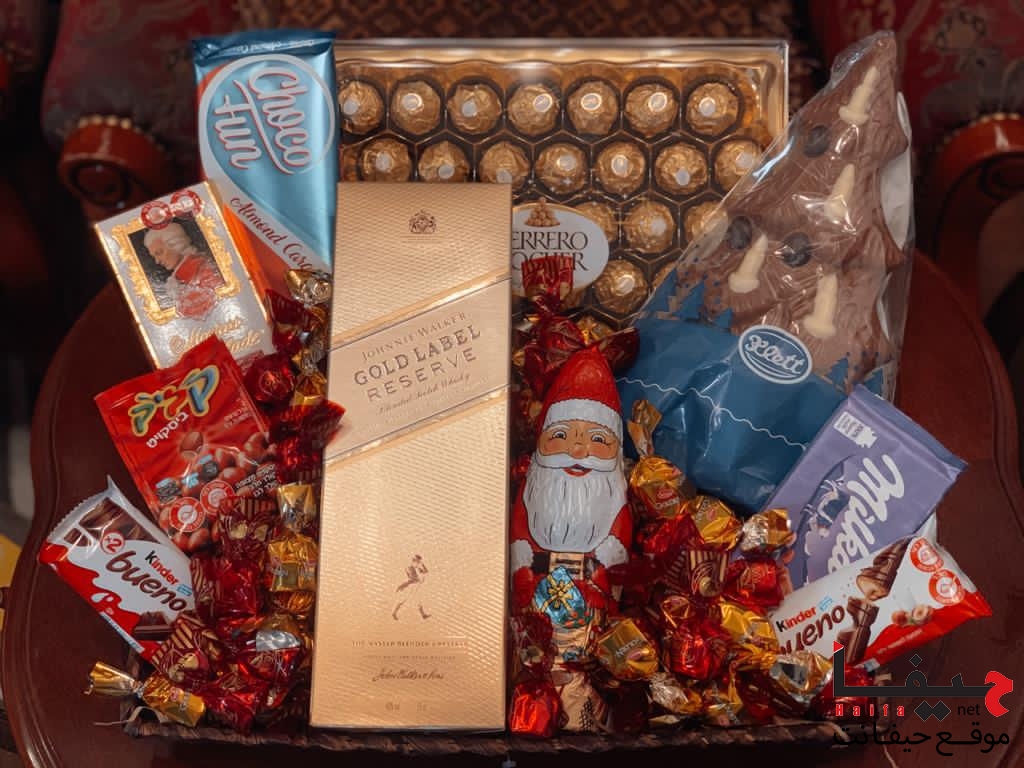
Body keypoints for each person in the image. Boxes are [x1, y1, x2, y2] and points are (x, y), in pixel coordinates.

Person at [508, 347, 631, 731]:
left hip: (590, 590)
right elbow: (520, 526)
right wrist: (521, 557)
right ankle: (530, 709)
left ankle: (585, 713)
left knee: (585, 658)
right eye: (561, 436)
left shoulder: (614, 495)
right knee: (533, 653)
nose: (578, 451)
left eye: (597, 439)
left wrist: (610, 559)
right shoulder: (535, 487)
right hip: (537, 587)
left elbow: (621, 537)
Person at [143, 221, 224, 311]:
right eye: (154, 256)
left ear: (175, 243)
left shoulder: (202, 268)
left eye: (159, 253)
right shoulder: (177, 278)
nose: (157, 261)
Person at [392, 554, 431, 620]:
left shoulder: (416, 567)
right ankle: (394, 613)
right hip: (412, 586)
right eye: (418, 561)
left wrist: (422, 564)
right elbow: (411, 579)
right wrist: (402, 585)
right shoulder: (410, 567)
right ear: (414, 560)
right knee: (403, 599)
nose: (418, 563)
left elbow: (426, 571)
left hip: (416, 585)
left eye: (419, 561)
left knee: (418, 600)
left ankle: (423, 615)